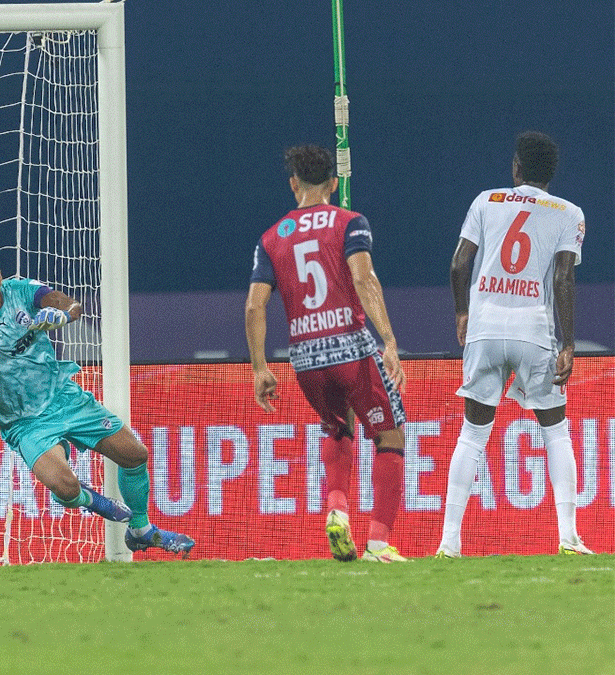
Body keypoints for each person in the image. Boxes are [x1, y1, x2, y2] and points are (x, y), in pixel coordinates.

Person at [0, 248, 195, 556]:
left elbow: (71, 305)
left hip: (65, 398)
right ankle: (97, 503)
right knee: (65, 487)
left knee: (135, 454)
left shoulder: (22, 291)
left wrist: (60, 314)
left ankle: (141, 530)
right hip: (25, 422)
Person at [245, 145, 409, 563]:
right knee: (390, 434)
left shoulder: (271, 237)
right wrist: (388, 339)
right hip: (349, 347)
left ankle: (337, 510)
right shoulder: (349, 222)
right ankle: (378, 542)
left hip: (305, 357)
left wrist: (260, 367)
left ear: (293, 184)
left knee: (337, 427)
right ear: (334, 184)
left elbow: (254, 306)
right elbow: (364, 276)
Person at [436, 132, 591, 557]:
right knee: (556, 431)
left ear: (516, 167)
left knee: (472, 435)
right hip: (534, 331)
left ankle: (449, 542)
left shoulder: (486, 201)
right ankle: (568, 536)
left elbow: (459, 263)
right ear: (550, 174)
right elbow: (562, 277)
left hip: (485, 328)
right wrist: (569, 341)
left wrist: (462, 313)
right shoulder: (568, 212)